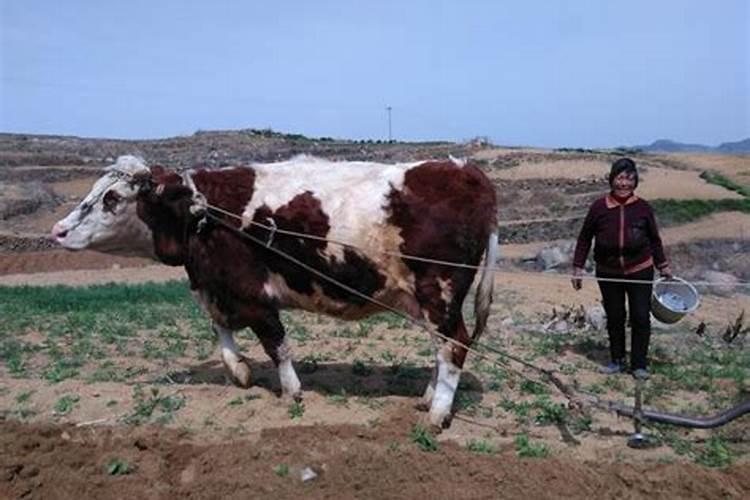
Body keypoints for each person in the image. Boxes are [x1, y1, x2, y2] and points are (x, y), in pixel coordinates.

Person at [571, 158, 672, 380]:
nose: (624, 183)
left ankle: (639, 364)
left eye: (629, 178)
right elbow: (585, 238)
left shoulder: (643, 208)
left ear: (635, 181)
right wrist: (578, 267)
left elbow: (654, 240)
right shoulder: (599, 207)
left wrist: (662, 265)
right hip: (608, 272)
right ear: (612, 179)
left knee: (640, 317)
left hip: (640, 270)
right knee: (615, 316)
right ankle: (617, 359)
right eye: (619, 177)